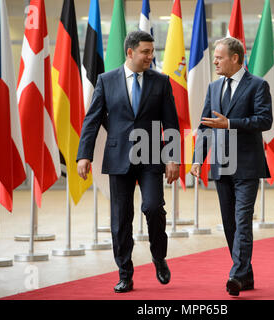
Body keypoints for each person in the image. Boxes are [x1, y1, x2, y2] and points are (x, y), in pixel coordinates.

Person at [77, 31, 180, 293]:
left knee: (153, 207)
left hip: (150, 156)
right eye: (145, 51)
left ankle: (159, 255)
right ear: (130, 52)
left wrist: (173, 158)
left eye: (152, 51)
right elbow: (92, 119)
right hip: (118, 156)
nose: (150, 56)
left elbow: (171, 123)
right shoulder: (106, 80)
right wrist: (84, 155)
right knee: (121, 218)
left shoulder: (161, 82)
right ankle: (125, 273)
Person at [190, 37, 272, 296]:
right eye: (214, 56)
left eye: (219, 56)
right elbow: (205, 126)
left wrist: (230, 124)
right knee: (229, 224)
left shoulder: (258, 85)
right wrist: (197, 158)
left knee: (242, 220)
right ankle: (245, 275)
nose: (215, 60)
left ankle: (236, 275)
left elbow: (265, 120)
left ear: (235, 58)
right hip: (221, 166)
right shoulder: (214, 88)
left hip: (247, 165)